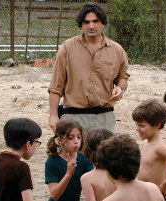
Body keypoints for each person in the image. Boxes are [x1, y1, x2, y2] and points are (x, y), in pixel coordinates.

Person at [48, 2, 129, 133]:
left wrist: (120, 88)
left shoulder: (117, 50)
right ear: (81, 25)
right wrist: (53, 115)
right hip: (73, 117)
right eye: (86, 22)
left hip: (105, 118)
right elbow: (56, 86)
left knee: (105, 153)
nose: (91, 26)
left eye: (95, 21)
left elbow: (122, 77)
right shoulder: (67, 48)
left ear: (103, 23)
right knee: (73, 154)